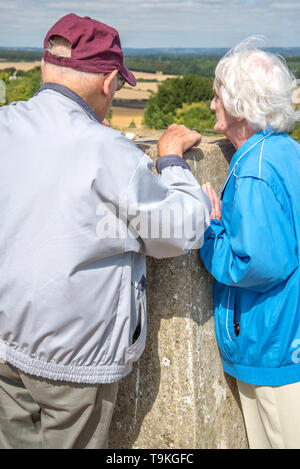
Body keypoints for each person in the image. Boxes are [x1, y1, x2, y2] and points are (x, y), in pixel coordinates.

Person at [0, 13, 211, 449]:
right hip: (74, 358)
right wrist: (171, 162)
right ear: (109, 80)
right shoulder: (106, 149)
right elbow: (176, 232)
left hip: (6, 341)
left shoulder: (6, 125)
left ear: (44, 67)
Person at [200, 38, 300, 449]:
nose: (211, 105)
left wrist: (211, 230)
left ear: (240, 105)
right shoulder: (286, 151)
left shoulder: (255, 171)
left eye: (217, 95)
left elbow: (254, 265)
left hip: (273, 348)